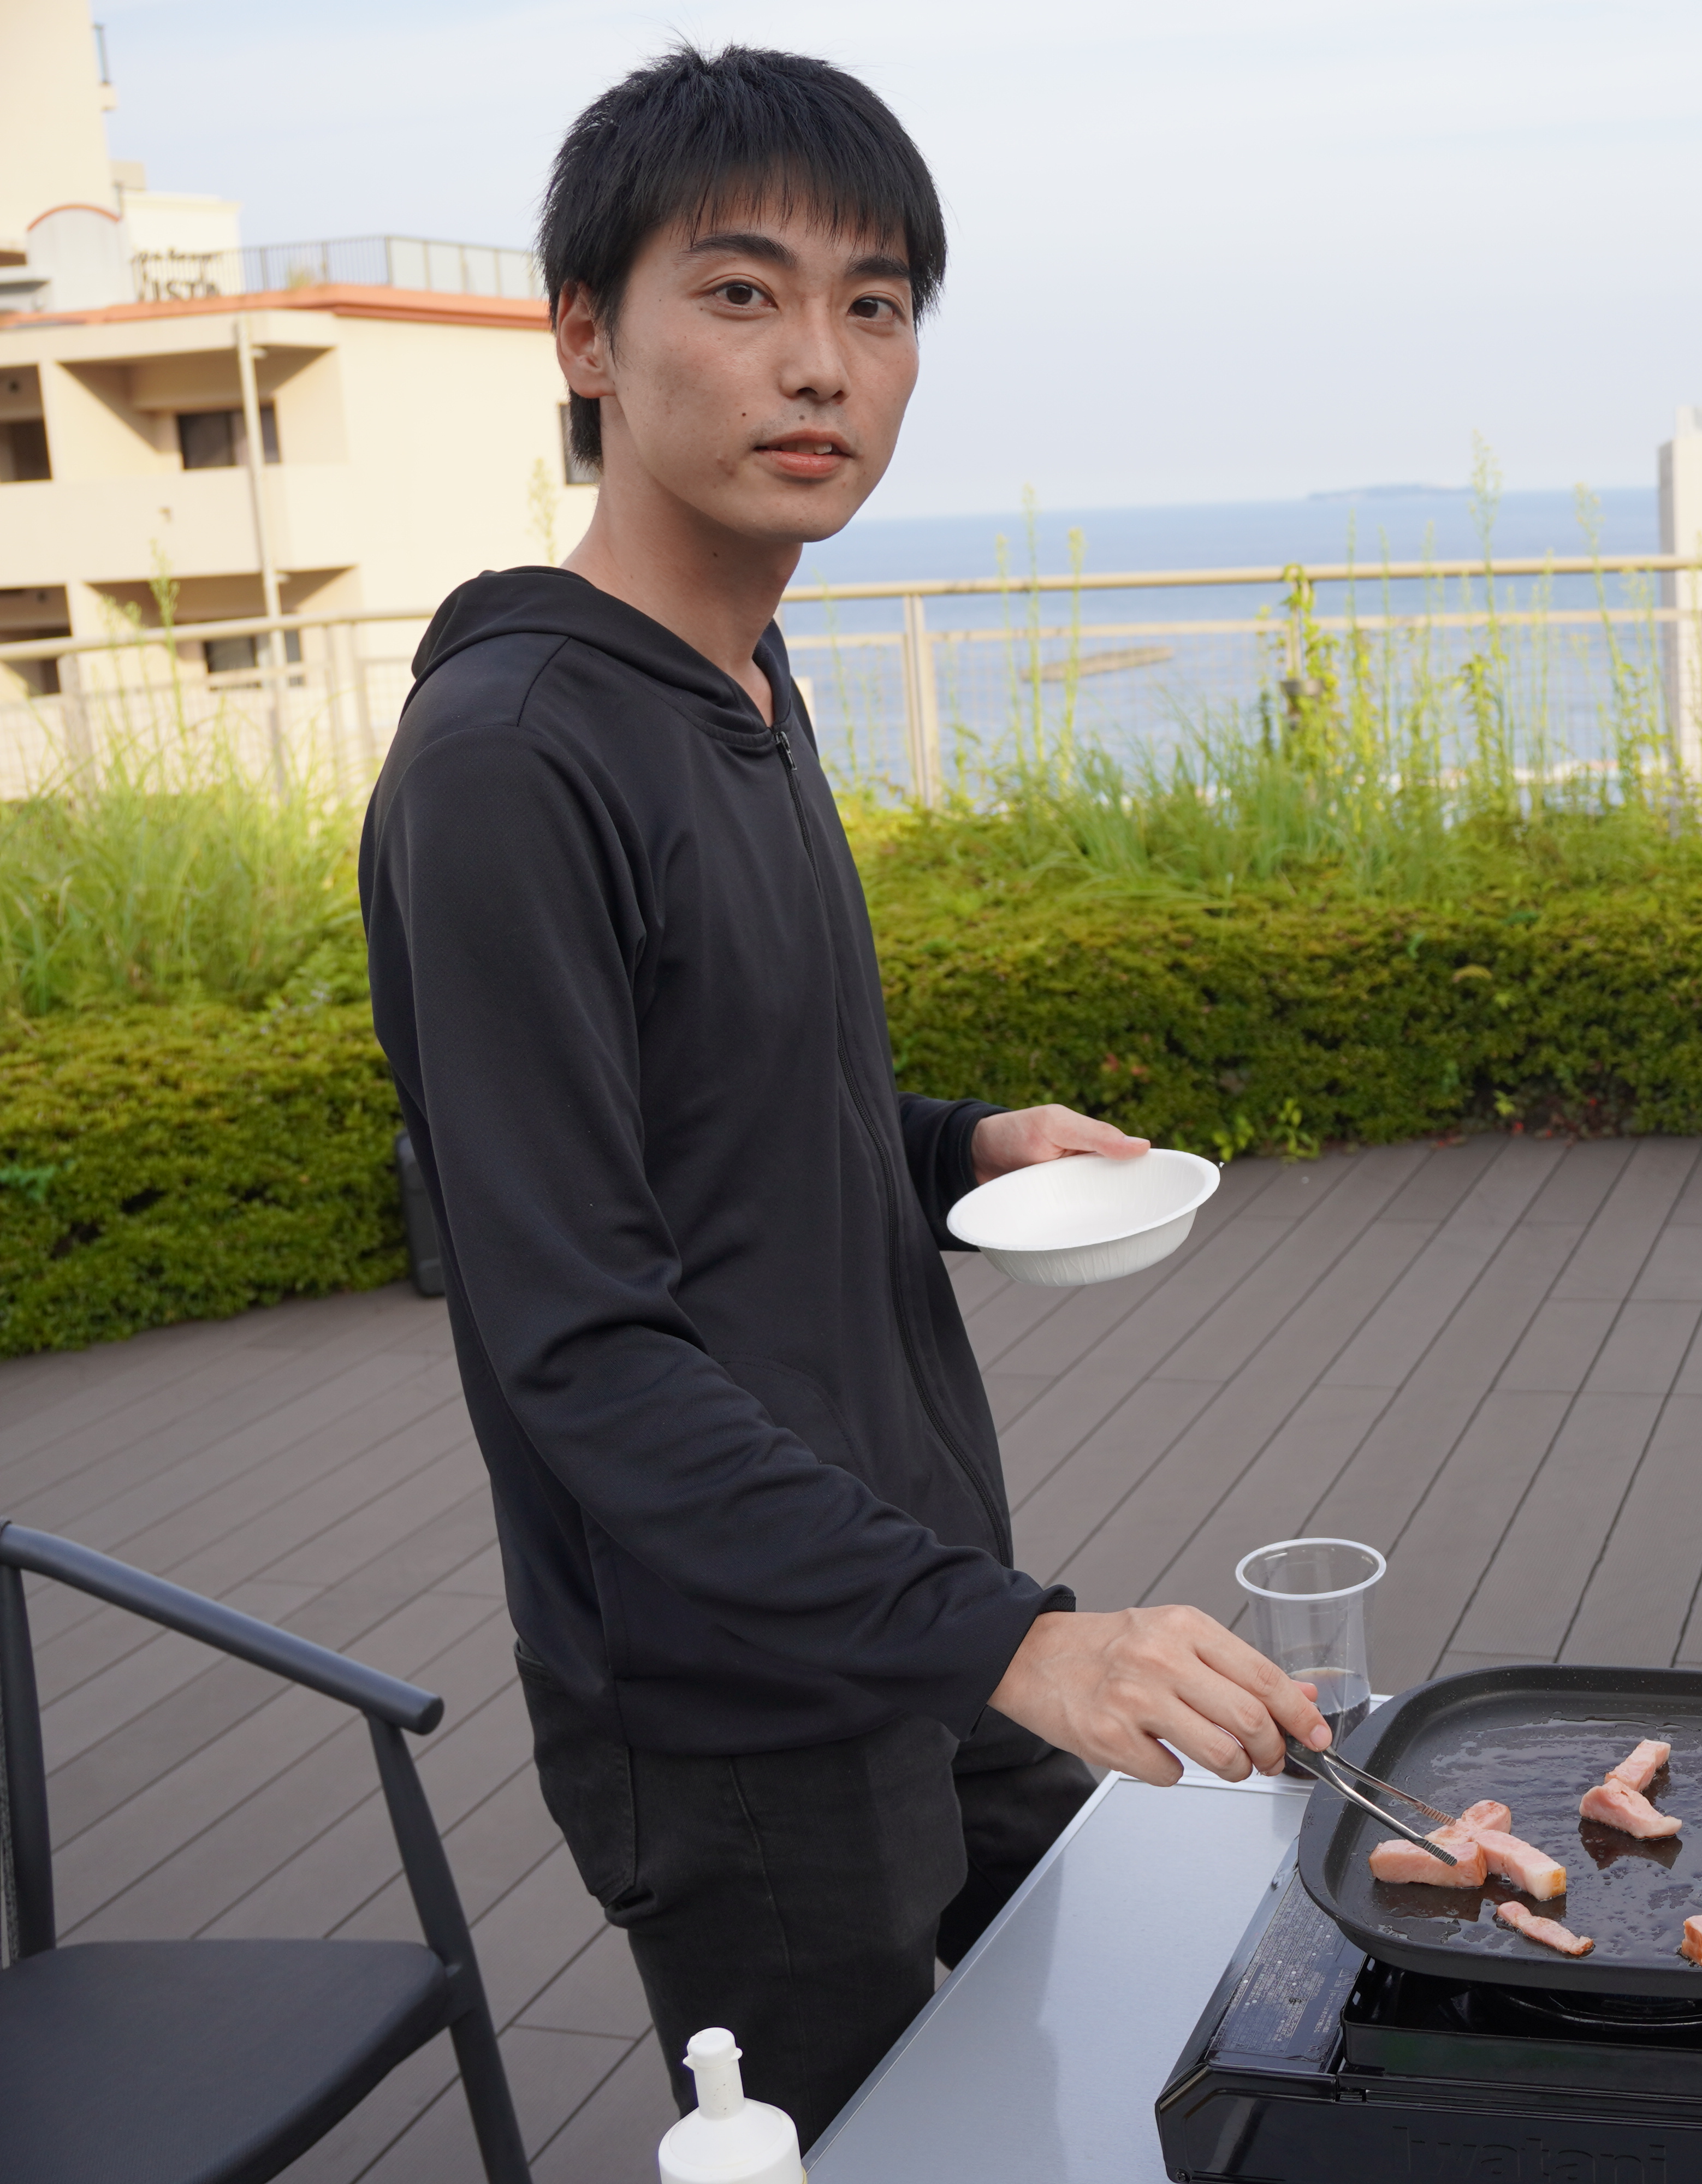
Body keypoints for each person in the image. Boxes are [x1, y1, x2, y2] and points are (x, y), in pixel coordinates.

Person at [358, 46, 1329, 2134]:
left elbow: (733, 1121)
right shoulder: (514, 757)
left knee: (1082, 2092)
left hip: (908, 1603)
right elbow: (577, 1344)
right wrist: (1021, 1645)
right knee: (880, 2143)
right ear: (586, 338)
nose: (821, 362)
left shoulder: (740, 677)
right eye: (742, 293)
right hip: (738, 1711)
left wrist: (958, 1146)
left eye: (875, 305)